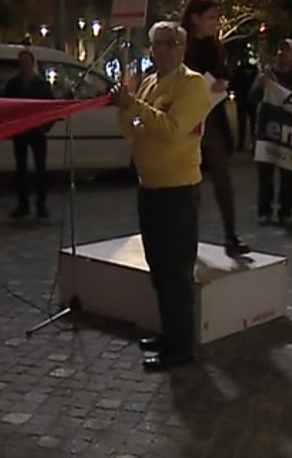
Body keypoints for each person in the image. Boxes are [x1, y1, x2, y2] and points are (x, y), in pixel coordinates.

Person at [110, 21, 210, 371]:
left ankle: (181, 347)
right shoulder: (150, 83)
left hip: (178, 188)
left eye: (171, 43)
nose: (164, 50)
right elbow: (134, 128)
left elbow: (171, 129)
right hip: (150, 186)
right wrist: (127, 108)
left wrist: (135, 109)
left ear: (183, 48)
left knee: (176, 272)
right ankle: (170, 334)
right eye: (158, 44)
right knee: (159, 268)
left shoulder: (192, 84)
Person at [180, 0, 249, 255]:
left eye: (216, 17)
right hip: (189, 118)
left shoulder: (215, 47)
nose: (215, 22)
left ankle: (231, 235)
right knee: (189, 180)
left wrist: (224, 83)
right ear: (195, 18)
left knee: (222, 177)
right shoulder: (182, 46)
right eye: (210, 17)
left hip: (212, 117)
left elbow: (224, 74)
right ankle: (186, 237)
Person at [250, 39, 292, 225]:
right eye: (281, 49)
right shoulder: (266, 73)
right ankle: (264, 210)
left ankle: (285, 209)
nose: (282, 53)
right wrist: (261, 85)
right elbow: (252, 97)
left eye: (287, 50)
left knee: (287, 174)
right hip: (266, 128)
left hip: (288, 130)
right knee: (265, 173)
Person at [4, 49, 55, 218]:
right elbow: (6, 107)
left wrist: (45, 127)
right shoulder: (13, 84)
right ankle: (23, 204)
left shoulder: (41, 84)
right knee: (21, 170)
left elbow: (51, 107)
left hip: (37, 132)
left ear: (32, 64)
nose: (24, 65)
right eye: (21, 62)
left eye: (26, 62)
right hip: (20, 131)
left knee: (41, 169)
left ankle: (41, 205)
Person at [231, 58, 258, 151]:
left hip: (247, 98)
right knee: (247, 122)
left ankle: (245, 143)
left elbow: (234, 83)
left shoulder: (240, 70)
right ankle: (246, 143)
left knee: (247, 122)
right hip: (245, 98)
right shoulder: (249, 70)